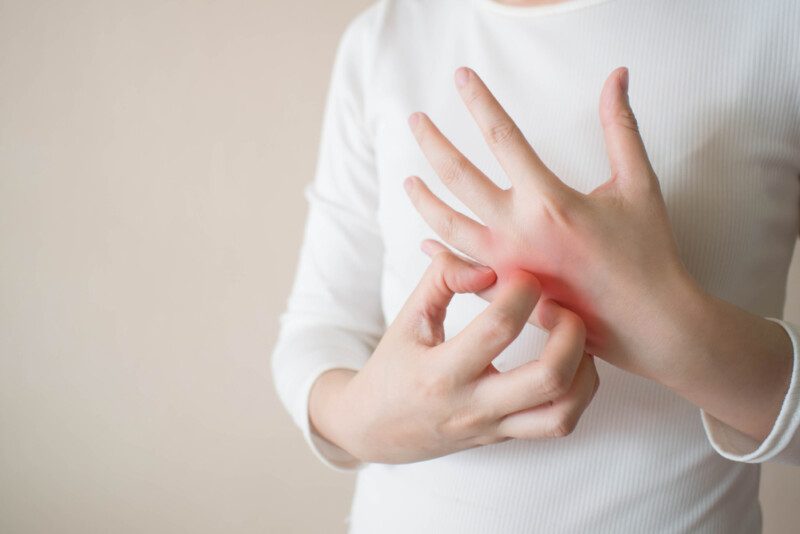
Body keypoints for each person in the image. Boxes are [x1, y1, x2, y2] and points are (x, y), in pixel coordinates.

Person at [271, 0, 800, 531]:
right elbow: (321, 327)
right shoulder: (383, 37)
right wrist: (367, 424)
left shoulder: (778, 24)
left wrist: (665, 325)